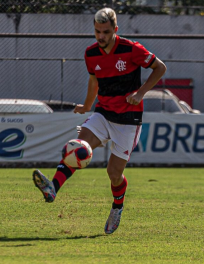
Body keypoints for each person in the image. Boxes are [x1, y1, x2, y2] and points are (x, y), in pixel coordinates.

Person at [32, 8, 166, 234]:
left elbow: (160, 67)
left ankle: (117, 206)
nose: (100, 36)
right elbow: (94, 82)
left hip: (128, 119)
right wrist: (86, 106)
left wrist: (141, 93)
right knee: (78, 147)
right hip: (103, 112)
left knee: (113, 174)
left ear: (115, 29)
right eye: (97, 31)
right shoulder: (91, 53)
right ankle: (52, 188)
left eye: (105, 32)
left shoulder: (131, 49)